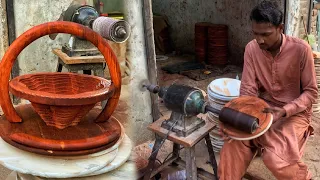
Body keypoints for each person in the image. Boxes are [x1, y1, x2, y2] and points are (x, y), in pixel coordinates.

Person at [218, 0, 318, 179]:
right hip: (263, 108)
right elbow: (248, 90)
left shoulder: (301, 50)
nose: (259, 40)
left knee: (275, 157)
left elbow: (311, 92)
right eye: (255, 33)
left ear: (280, 28)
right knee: (232, 146)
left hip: (295, 113)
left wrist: (286, 110)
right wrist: (238, 118)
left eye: (265, 34)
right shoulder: (251, 48)